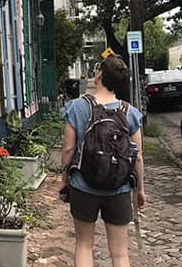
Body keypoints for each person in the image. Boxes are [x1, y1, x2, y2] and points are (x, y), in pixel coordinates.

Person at [59, 54, 146, 267]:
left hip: (83, 186)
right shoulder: (130, 113)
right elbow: (138, 156)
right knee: (120, 254)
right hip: (119, 188)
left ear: (98, 74)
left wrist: (64, 180)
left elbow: (68, 148)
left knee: (84, 245)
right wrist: (140, 190)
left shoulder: (77, 107)